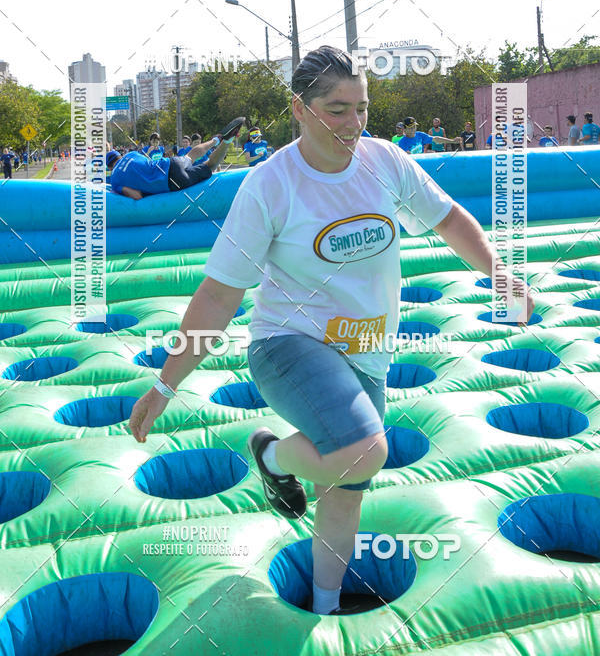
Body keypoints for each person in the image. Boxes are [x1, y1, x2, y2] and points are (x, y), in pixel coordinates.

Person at [128, 45, 534, 617]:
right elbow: (220, 293)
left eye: (362, 107)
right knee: (365, 451)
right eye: (337, 109)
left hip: (367, 353)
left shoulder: (386, 161)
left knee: (343, 494)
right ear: (299, 108)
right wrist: (165, 385)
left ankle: (323, 606)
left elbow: (448, 219)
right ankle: (272, 460)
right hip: (289, 345)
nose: (354, 123)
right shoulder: (270, 185)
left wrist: (501, 275)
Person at [107, 118, 245, 199]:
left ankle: (227, 141)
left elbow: (136, 195)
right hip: (171, 163)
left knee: (210, 165)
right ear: (120, 156)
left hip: (171, 181)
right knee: (190, 156)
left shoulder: (115, 180)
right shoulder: (131, 154)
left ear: (110, 167)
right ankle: (217, 139)